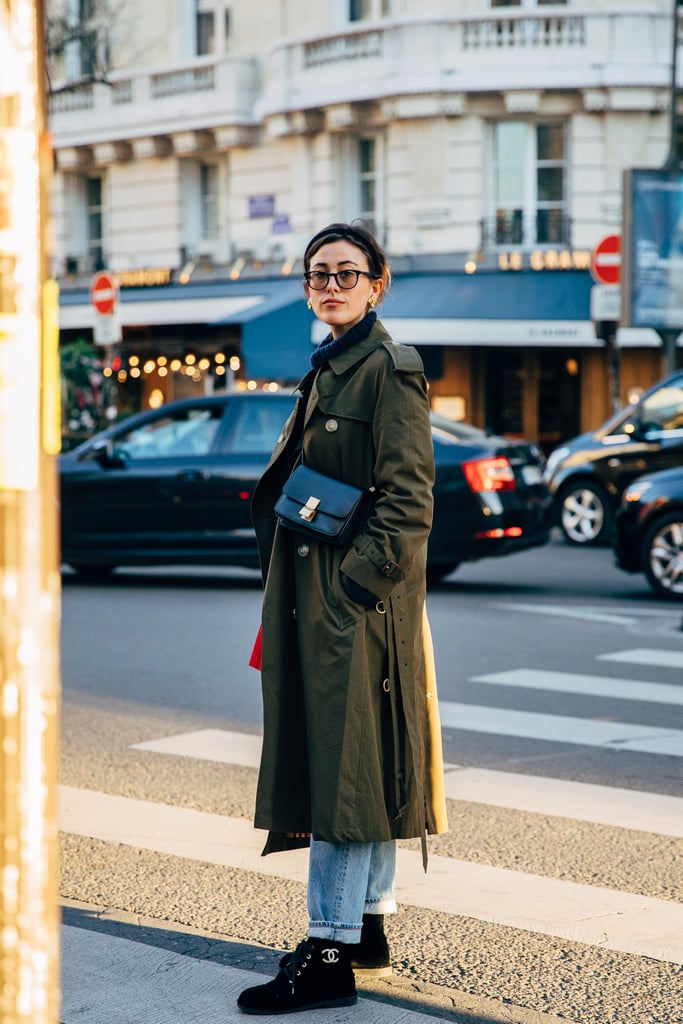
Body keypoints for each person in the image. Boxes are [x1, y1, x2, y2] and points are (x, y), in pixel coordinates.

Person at [238, 223, 448, 1016]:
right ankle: (366, 931)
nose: (331, 284)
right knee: (362, 759)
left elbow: (409, 502)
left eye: (347, 273)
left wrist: (350, 595)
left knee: (343, 769)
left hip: (352, 606)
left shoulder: (386, 369)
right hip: (325, 596)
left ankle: (326, 952)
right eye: (318, 274)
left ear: (377, 283)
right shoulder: (333, 362)